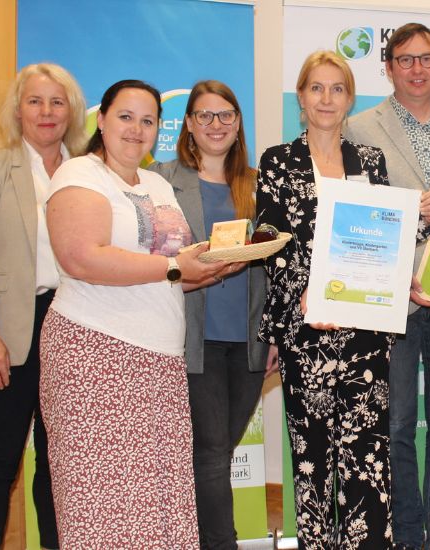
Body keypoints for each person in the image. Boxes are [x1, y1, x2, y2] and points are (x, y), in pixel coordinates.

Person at [256, 50, 430, 550]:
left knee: (367, 462)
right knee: (313, 460)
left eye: (337, 89)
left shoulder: (369, 162)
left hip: (364, 333)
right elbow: (268, 242)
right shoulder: (278, 161)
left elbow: (381, 239)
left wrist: (418, 226)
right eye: (316, 88)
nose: (326, 98)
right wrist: (298, 301)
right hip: (308, 331)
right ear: (300, 96)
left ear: (349, 99)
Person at [39, 79, 229, 548]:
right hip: (94, 356)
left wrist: (210, 263)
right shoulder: (79, 174)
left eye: (148, 121)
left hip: (159, 362)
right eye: (125, 117)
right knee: (101, 503)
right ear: (100, 121)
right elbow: (82, 257)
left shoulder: (158, 183)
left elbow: (172, 270)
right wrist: (172, 267)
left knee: (159, 498)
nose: (136, 129)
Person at [344, 22, 430, 550]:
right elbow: (356, 214)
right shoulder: (358, 127)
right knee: (395, 425)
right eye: (405, 59)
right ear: (389, 66)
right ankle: (406, 538)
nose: (417, 68)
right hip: (390, 294)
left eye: (427, 58)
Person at [0, 62, 87, 550]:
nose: (47, 112)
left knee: (60, 465)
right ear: (18, 110)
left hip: (75, 326)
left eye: (56, 101)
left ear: (71, 110)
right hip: (10, 328)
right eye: (35, 101)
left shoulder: (86, 169)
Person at [148, 80, 266, 550]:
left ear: (238, 125)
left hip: (250, 342)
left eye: (226, 115)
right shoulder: (162, 179)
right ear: (189, 126)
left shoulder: (257, 185)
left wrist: (273, 335)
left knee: (217, 452)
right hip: (193, 340)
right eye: (205, 116)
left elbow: (275, 269)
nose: (216, 125)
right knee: (213, 454)